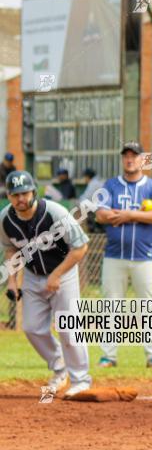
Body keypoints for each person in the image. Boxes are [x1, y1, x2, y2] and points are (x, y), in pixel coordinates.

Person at [1, 170, 92, 399]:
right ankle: (60, 369)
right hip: (32, 275)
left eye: (24, 192)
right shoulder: (5, 219)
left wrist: (57, 275)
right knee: (32, 327)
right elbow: (11, 248)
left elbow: (80, 247)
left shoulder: (55, 213)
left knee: (68, 328)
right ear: (9, 196)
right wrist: (12, 280)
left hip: (64, 272)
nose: (20, 198)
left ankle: (81, 380)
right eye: (15, 194)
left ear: (34, 191)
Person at [94, 142, 152, 369]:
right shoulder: (111, 185)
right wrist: (128, 215)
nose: (130, 159)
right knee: (110, 307)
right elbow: (100, 214)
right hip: (114, 255)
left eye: (134, 156)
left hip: (145, 255)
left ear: (142, 159)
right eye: (126, 155)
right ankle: (108, 356)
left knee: (149, 307)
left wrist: (129, 214)